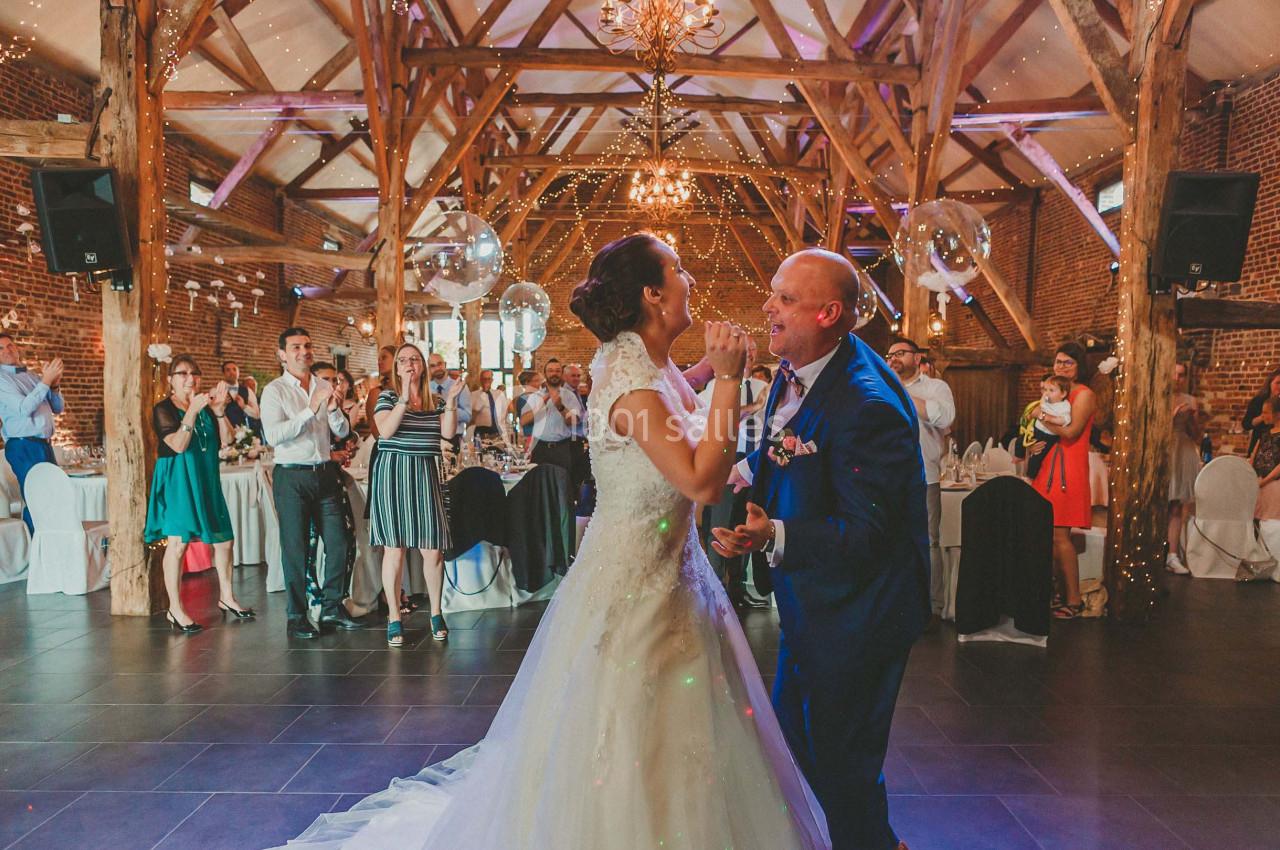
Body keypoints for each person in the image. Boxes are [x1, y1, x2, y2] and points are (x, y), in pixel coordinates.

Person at [279, 233, 828, 850]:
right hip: (636, 592)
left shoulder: (645, 359)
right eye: (678, 269)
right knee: (626, 734)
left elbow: (683, 389)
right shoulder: (630, 385)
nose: (690, 280)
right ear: (652, 294)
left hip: (673, 577)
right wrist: (728, 383)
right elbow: (701, 479)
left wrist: (714, 371)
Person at [712, 249, 927, 850]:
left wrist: (773, 535)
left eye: (784, 299)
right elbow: (796, 442)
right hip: (817, 600)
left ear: (830, 313)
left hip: (863, 610)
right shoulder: (800, 365)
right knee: (800, 740)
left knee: (842, 760)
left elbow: (869, 532)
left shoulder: (868, 405)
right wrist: (746, 470)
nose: (767, 307)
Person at [260, 327, 361, 640]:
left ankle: (332, 606)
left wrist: (332, 410)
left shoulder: (322, 384)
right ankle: (297, 616)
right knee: (295, 548)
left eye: (307, 346)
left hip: (324, 473)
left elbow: (341, 430)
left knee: (340, 542)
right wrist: (309, 409)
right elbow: (274, 436)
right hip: (291, 475)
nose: (303, 351)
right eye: (295, 347)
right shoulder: (275, 391)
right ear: (282, 355)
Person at [144, 354, 254, 633]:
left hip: (205, 477)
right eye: (182, 373)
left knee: (224, 539)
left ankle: (227, 597)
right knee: (178, 544)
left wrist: (217, 412)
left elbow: (228, 440)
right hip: (178, 479)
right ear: (170, 380)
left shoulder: (205, 407)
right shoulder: (163, 408)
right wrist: (192, 411)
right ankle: (175, 609)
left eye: (194, 373)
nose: (190, 378)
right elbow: (178, 445)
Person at [372, 344, 462, 646]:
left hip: (425, 475)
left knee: (432, 548)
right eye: (403, 361)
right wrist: (403, 395)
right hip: (392, 475)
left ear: (422, 366)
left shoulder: (433, 400)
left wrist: (450, 400)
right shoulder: (385, 397)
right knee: (394, 549)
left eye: (414, 359)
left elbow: (448, 434)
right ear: (397, 368)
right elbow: (385, 431)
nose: (409, 364)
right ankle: (394, 617)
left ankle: (436, 612)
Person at [886, 336, 955, 632]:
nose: (893, 359)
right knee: (889, 540)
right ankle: (894, 604)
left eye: (900, 353)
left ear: (917, 358)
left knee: (927, 541)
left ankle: (930, 607)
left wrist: (900, 392)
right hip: (887, 477)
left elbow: (946, 418)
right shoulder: (879, 387)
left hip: (924, 475)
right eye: (889, 356)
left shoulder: (935, 388)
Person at [1027, 341, 1097, 619]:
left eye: (1068, 362)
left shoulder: (1084, 394)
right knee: (1045, 532)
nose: (1061, 367)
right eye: (1058, 362)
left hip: (1068, 467)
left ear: (1080, 366)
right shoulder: (1055, 391)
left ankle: (1074, 599)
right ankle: (1054, 592)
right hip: (1047, 464)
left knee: (1060, 535)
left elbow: (1070, 431)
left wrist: (1041, 414)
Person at [698, 343, 771, 609]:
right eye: (744, 351)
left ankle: (736, 587)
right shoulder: (715, 388)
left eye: (752, 351)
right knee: (720, 525)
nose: (749, 355)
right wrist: (753, 407)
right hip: (726, 463)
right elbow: (716, 422)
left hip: (756, 463)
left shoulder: (765, 389)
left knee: (746, 526)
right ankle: (714, 588)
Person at [0, 333, 64, 532]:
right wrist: (45, 381)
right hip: (22, 445)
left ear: (16, 347)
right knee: (37, 499)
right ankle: (36, 551)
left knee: (53, 498)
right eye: (0, 349)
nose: (7, 350)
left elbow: (58, 407)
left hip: (43, 445)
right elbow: (23, 409)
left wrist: (53, 385)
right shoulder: (2, 380)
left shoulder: (32, 376)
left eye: (10, 345)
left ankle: (52, 545)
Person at [520, 358, 588, 495]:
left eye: (557, 371)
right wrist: (541, 405)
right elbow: (523, 421)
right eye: (550, 371)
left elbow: (574, 421)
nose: (554, 373)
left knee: (562, 489)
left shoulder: (569, 396)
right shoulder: (535, 396)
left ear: (562, 374)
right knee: (538, 489)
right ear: (545, 374)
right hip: (540, 449)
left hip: (562, 449)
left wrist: (560, 406)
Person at [1166, 362, 1207, 575]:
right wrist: (1172, 415)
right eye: (1174, 374)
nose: (1178, 379)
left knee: (1176, 505)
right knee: (1158, 504)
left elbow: (1196, 434)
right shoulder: (1160, 396)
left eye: (1181, 375)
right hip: (1164, 450)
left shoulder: (1191, 400)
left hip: (1183, 450)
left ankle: (1172, 555)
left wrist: (1191, 418)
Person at [1026, 374, 1073, 481]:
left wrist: (1049, 418)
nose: (1047, 393)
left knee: (1038, 454)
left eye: (1051, 390)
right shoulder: (1046, 400)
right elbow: (1037, 408)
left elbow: (1065, 419)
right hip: (1036, 428)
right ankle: (1018, 458)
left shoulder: (1064, 406)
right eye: (1045, 389)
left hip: (1047, 434)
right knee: (1022, 443)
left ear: (1063, 394)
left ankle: (1030, 477)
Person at [1250, 399, 1280, 518]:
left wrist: (1264, 482)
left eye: (1266, 412)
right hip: (1258, 480)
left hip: (1274, 482)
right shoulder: (1264, 433)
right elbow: (1254, 455)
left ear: (1278, 414)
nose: (1263, 416)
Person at [1242, 367, 1280, 457]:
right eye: (1278, 383)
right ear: (1270, 383)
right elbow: (1246, 424)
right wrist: (1264, 416)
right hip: (1259, 444)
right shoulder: (1258, 401)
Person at [221, 360, 262, 437]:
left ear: (238, 372)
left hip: (245, 435)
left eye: (234, 369)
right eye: (228, 370)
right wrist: (221, 405)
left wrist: (244, 407)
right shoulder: (218, 391)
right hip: (225, 434)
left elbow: (257, 415)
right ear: (223, 374)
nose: (232, 372)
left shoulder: (247, 391)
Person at [364, 345, 396, 438]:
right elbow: (376, 432)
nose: (379, 362)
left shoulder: (410, 391)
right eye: (378, 359)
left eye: (384, 358)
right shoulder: (376, 393)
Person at [467, 369, 507, 440]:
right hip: (481, 432)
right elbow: (472, 417)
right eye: (484, 379)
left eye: (489, 379)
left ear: (492, 380)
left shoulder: (498, 394)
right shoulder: (473, 395)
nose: (487, 381)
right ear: (480, 380)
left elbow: (505, 413)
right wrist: (483, 394)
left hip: (498, 431)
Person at [510, 369, 542, 443]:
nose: (539, 383)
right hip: (530, 436)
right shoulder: (524, 398)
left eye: (539, 380)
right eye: (536, 381)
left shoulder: (536, 396)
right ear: (527, 383)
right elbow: (525, 420)